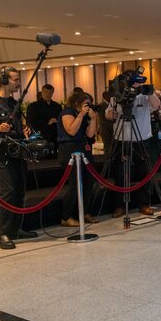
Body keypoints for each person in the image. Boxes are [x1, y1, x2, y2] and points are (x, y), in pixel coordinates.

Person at [0, 66, 38, 249]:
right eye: (15, 79)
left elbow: (18, 125)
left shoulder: (14, 103)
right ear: (4, 81)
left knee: (19, 191)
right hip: (1, 155)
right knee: (7, 193)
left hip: (18, 152)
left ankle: (15, 228)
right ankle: (2, 233)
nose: (18, 83)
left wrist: (24, 130)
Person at [105, 72, 161, 217]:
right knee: (121, 174)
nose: (134, 85)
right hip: (121, 139)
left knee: (145, 172)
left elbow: (156, 105)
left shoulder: (145, 95)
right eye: (132, 82)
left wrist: (146, 90)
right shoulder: (117, 96)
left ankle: (144, 204)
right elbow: (108, 114)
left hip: (142, 139)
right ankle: (120, 206)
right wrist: (113, 114)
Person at [57, 90, 98, 227]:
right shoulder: (67, 113)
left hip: (84, 149)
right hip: (69, 150)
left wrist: (93, 118)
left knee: (88, 182)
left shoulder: (85, 115)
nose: (89, 107)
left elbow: (90, 134)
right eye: (86, 104)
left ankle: (86, 212)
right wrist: (81, 115)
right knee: (75, 185)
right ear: (77, 104)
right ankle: (66, 216)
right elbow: (71, 131)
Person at [26, 83, 61, 152]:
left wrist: (58, 121)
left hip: (55, 135)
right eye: (45, 92)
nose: (48, 94)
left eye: (50, 92)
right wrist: (47, 122)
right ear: (41, 92)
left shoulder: (57, 106)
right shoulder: (34, 106)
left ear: (52, 93)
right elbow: (30, 121)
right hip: (41, 135)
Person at [96, 91, 115, 156]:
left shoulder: (110, 104)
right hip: (105, 129)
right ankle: (106, 160)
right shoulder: (101, 105)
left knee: (111, 146)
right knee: (107, 146)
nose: (111, 97)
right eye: (109, 95)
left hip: (109, 129)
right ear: (104, 96)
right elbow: (103, 120)